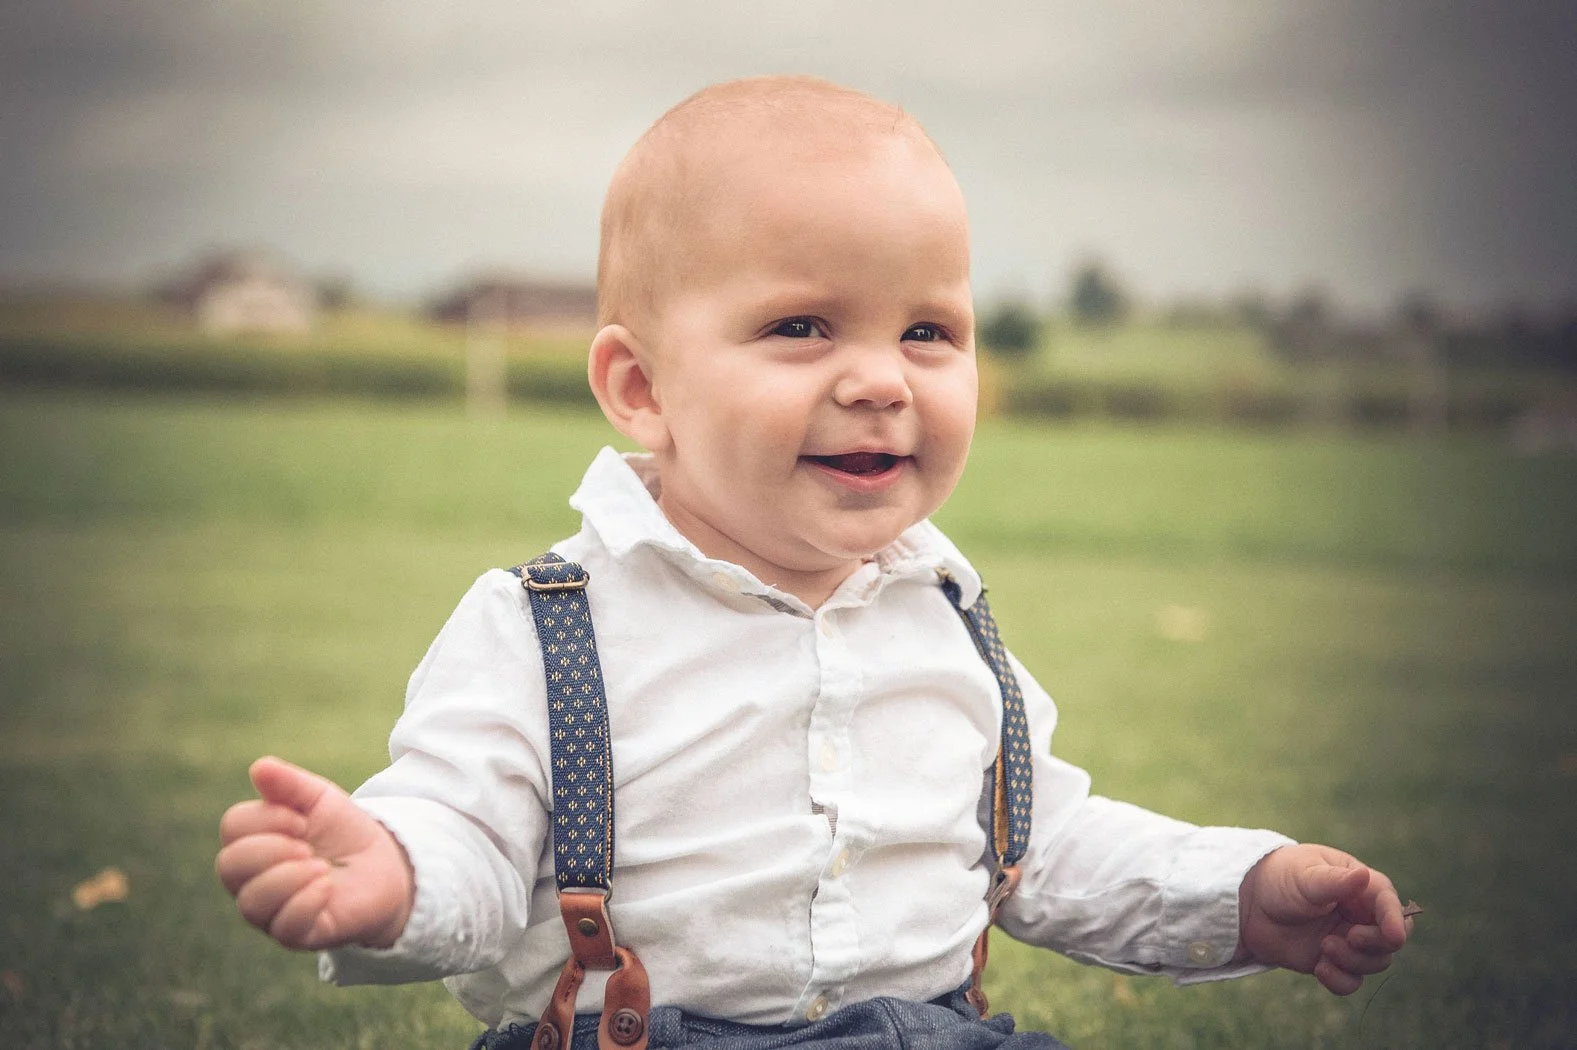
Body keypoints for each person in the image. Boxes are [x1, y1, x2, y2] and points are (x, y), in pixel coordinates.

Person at [215, 76, 1413, 1049]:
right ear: (641, 388)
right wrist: (395, 876)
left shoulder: (944, 618)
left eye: (927, 332)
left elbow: (1038, 845)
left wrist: (1242, 895)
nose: (881, 378)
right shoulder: (541, 629)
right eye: (801, 326)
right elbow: (465, 833)